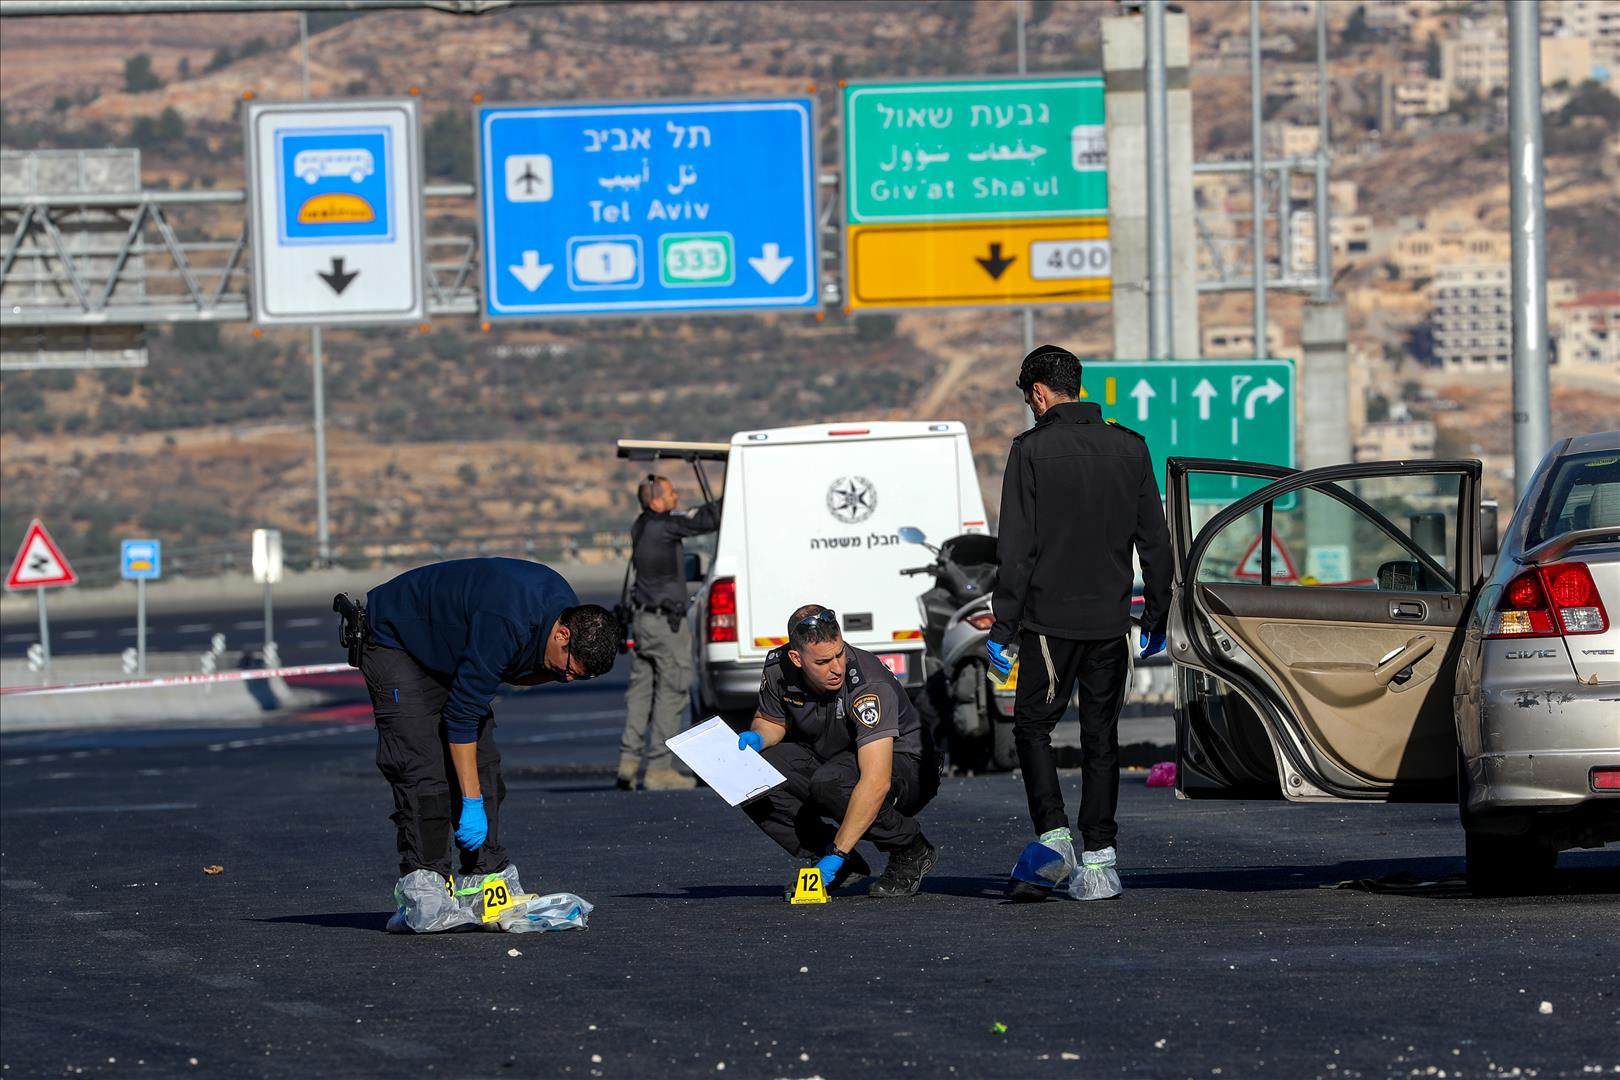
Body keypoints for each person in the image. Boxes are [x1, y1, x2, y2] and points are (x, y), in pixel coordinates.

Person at [985, 344, 1172, 903]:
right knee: (1101, 737)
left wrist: (1003, 629)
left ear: (1039, 392)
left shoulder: (1031, 451)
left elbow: (1016, 551)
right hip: (1111, 622)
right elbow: (1156, 543)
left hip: (1047, 623)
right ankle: (1100, 861)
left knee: (1033, 728)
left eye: (1027, 398)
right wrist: (1156, 613)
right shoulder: (1130, 447)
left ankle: (1055, 838)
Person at [354, 557, 619, 931]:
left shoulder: (568, 618)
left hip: (451, 648)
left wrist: (477, 790)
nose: (564, 680)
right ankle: (425, 887)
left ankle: (484, 878)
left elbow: (507, 676)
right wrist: (471, 803)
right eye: (566, 671)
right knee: (422, 767)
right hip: (397, 642)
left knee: (484, 767)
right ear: (563, 635)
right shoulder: (509, 620)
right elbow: (462, 715)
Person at [737, 604, 940, 898]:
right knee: (749, 775)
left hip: (905, 765)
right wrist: (757, 738)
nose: (836, 668)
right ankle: (831, 859)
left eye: (840, 654)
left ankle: (910, 848)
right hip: (834, 758)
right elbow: (771, 721)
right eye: (822, 662)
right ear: (796, 658)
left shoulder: (868, 684)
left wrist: (839, 851)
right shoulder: (778, 667)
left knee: (831, 782)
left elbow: (876, 781)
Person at [617, 474, 719, 791]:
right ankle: (659, 767)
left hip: (644, 621)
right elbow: (706, 519)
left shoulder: (640, 525)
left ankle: (629, 762)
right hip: (665, 625)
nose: (677, 497)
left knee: (641, 691)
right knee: (672, 690)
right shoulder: (666, 525)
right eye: (672, 493)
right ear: (657, 501)